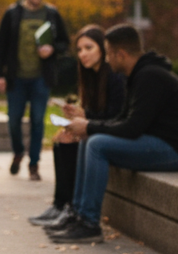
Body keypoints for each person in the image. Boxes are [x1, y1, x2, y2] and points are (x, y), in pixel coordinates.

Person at [52, 24, 178, 243]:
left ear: (120, 54)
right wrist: (88, 125)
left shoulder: (150, 77)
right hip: (158, 142)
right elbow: (122, 119)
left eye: (109, 54)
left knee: (96, 144)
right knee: (89, 140)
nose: (107, 60)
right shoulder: (139, 75)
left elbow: (132, 128)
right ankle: (79, 215)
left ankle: (89, 224)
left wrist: (89, 126)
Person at [29, 25, 125, 227]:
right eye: (80, 50)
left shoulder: (114, 76)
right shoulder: (90, 75)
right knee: (62, 137)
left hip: (116, 132)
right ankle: (60, 204)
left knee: (70, 138)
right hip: (101, 128)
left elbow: (116, 115)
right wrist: (79, 113)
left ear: (103, 48)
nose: (83, 54)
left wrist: (85, 117)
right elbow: (97, 112)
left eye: (89, 48)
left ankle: (71, 207)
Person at [0, 0, 70, 181]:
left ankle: (34, 164)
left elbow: (64, 43)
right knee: (13, 120)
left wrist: (52, 49)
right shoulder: (13, 13)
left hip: (41, 79)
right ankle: (18, 152)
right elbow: (0, 46)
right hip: (16, 78)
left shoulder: (51, 14)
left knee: (37, 121)